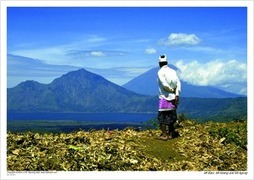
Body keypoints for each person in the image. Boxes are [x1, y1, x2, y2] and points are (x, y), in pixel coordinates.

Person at [157, 54, 181, 140]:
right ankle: (171, 134)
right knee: (171, 116)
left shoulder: (160, 72)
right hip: (173, 97)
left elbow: (164, 84)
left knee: (162, 116)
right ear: (167, 62)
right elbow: (178, 83)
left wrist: (171, 90)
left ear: (159, 63)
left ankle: (164, 135)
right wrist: (176, 94)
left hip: (164, 97)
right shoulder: (173, 71)